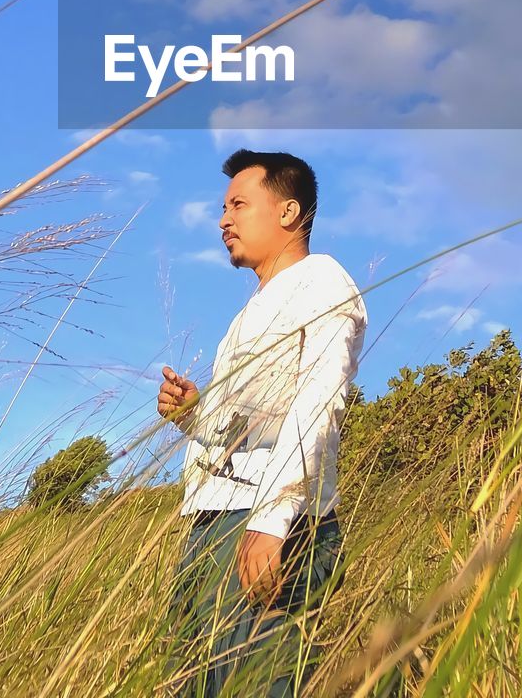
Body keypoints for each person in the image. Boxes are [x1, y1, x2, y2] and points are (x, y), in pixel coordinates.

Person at [157, 149, 367, 696]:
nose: (223, 220)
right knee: (195, 683)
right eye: (222, 207)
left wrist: (272, 521)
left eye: (238, 204)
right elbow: (241, 429)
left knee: (262, 681)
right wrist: (193, 414)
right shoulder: (252, 309)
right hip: (213, 519)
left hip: (273, 521)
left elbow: (319, 401)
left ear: (288, 212)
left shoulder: (322, 282)